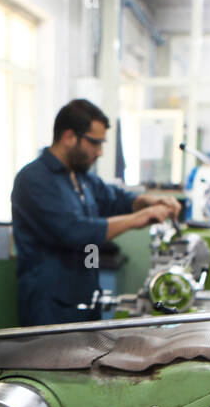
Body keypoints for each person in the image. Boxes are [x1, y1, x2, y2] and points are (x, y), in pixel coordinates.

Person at [11, 99, 181, 326]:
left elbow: (115, 199)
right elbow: (74, 231)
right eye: (94, 143)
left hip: (87, 297)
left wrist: (148, 201)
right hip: (50, 306)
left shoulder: (81, 178)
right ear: (69, 137)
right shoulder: (34, 180)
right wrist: (136, 219)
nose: (100, 152)